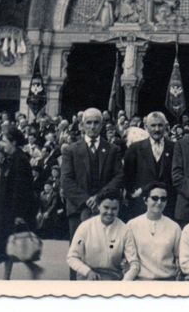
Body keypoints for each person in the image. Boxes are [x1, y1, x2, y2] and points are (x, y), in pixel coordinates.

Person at [60, 107, 124, 261]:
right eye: (88, 123)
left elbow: (118, 176)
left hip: (105, 209)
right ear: (82, 125)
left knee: (103, 253)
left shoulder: (112, 149)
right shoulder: (71, 150)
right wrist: (85, 200)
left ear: (102, 125)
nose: (92, 126)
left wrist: (99, 198)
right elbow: (66, 180)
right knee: (78, 252)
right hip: (78, 209)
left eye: (96, 123)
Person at [0, 128, 42, 280]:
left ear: (13, 142)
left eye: (5, 141)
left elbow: (21, 190)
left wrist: (19, 214)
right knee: (11, 242)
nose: (2, 144)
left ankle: (8, 276)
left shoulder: (20, 160)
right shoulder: (12, 158)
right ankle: (28, 270)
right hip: (7, 209)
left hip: (12, 210)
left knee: (11, 242)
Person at [66, 189, 140, 280]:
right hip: (87, 276)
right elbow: (72, 257)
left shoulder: (125, 229)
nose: (109, 212)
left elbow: (134, 263)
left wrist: (125, 282)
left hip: (113, 277)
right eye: (106, 207)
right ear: (98, 206)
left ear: (119, 209)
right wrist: (87, 271)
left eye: (114, 209)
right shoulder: (85, 227)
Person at [124, 111, 175, 219]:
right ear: (146, 127)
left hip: (167, 204)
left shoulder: (174, 148)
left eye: (160, 125)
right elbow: (127, 176)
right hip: (141, 204)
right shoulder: (135, 148)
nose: (157, 129)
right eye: (153, 125)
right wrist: (134, 193)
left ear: (166, 126)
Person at [127, 182, 182, 280]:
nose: (159, 202)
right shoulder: (132, 225)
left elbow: (179, 257)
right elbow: (129, 258)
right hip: (141, 281)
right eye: (155, 198)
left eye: (163, 199)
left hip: (167, 281)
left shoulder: (174, 227)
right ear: (145, 200)